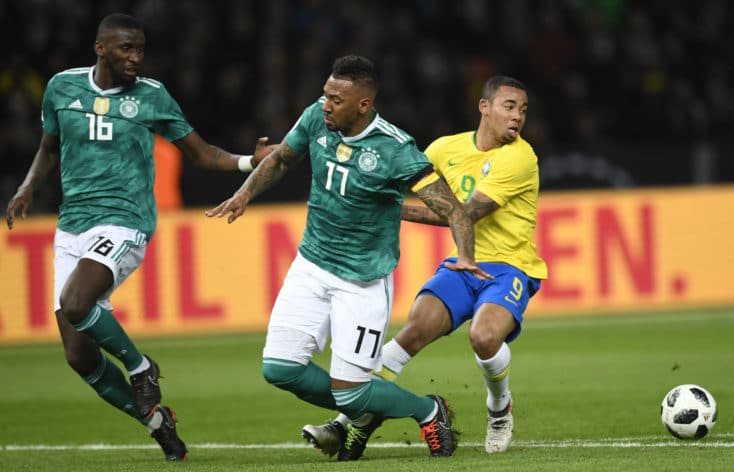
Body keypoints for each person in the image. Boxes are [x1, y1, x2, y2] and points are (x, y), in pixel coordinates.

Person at [4, 13, 270, 462]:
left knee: (76, 303)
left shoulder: (151, 96)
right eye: (126, 49)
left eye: (140, 49)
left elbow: (202, 154)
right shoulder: (62, 88)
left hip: (126, 222)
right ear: (101, 49)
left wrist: (250, 161)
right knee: (78, 357)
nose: (136, 58)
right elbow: (49, 146)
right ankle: (155, 423)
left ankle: (141, 367)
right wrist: (29, 185)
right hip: (73, 226)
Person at [206, 54, 491, 461]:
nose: (325, 105)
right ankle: (363, 413)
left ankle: (428, 410)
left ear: (363, 104)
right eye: (325, 95)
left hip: (362, 280)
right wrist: (245, 193)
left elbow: (453, 209)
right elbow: (283, 158)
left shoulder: (395, 149)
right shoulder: (315, 119)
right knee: (280, 369)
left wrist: (465, 254)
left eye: (336, 99)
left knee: (352, 390)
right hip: (311, 265)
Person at [303, 75, 547, 455]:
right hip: (462, 267)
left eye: (523, 110)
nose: (518, 117)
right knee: (413, 331)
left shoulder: (519, 157)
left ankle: (499, 408)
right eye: (509, 106)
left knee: (484, 337)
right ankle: (343, 421)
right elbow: (392, 178)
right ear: (484, 108)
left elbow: (462, 214)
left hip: (509, 267)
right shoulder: (444, 148)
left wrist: (389, 207)